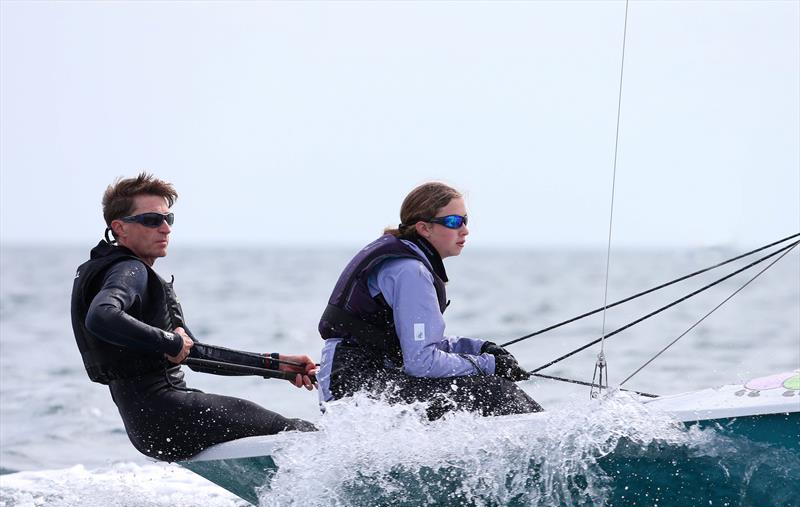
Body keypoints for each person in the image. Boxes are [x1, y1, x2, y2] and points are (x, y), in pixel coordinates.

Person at [71, 173, 316, 463]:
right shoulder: (129, 271)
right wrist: (170, 342)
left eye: (168, 219)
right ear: (120, 228)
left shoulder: (109, 270)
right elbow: (101, 316)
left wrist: (279, 366)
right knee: (300, 433)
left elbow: (195, 354)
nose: (165, 229)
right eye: (151, 220)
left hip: (148, 428)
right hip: (172, 413)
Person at [317, 182, 543, 419]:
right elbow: (421, 362)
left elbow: (418, 344)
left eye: (466, 220)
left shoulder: (408, 264)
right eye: (454, 222)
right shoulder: (410, 271)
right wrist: (489, 365)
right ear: (424, 228)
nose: (465, 230)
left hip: (366, 384)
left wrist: (479, 348)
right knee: (495, 391)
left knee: (486, 387)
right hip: (353, 395)